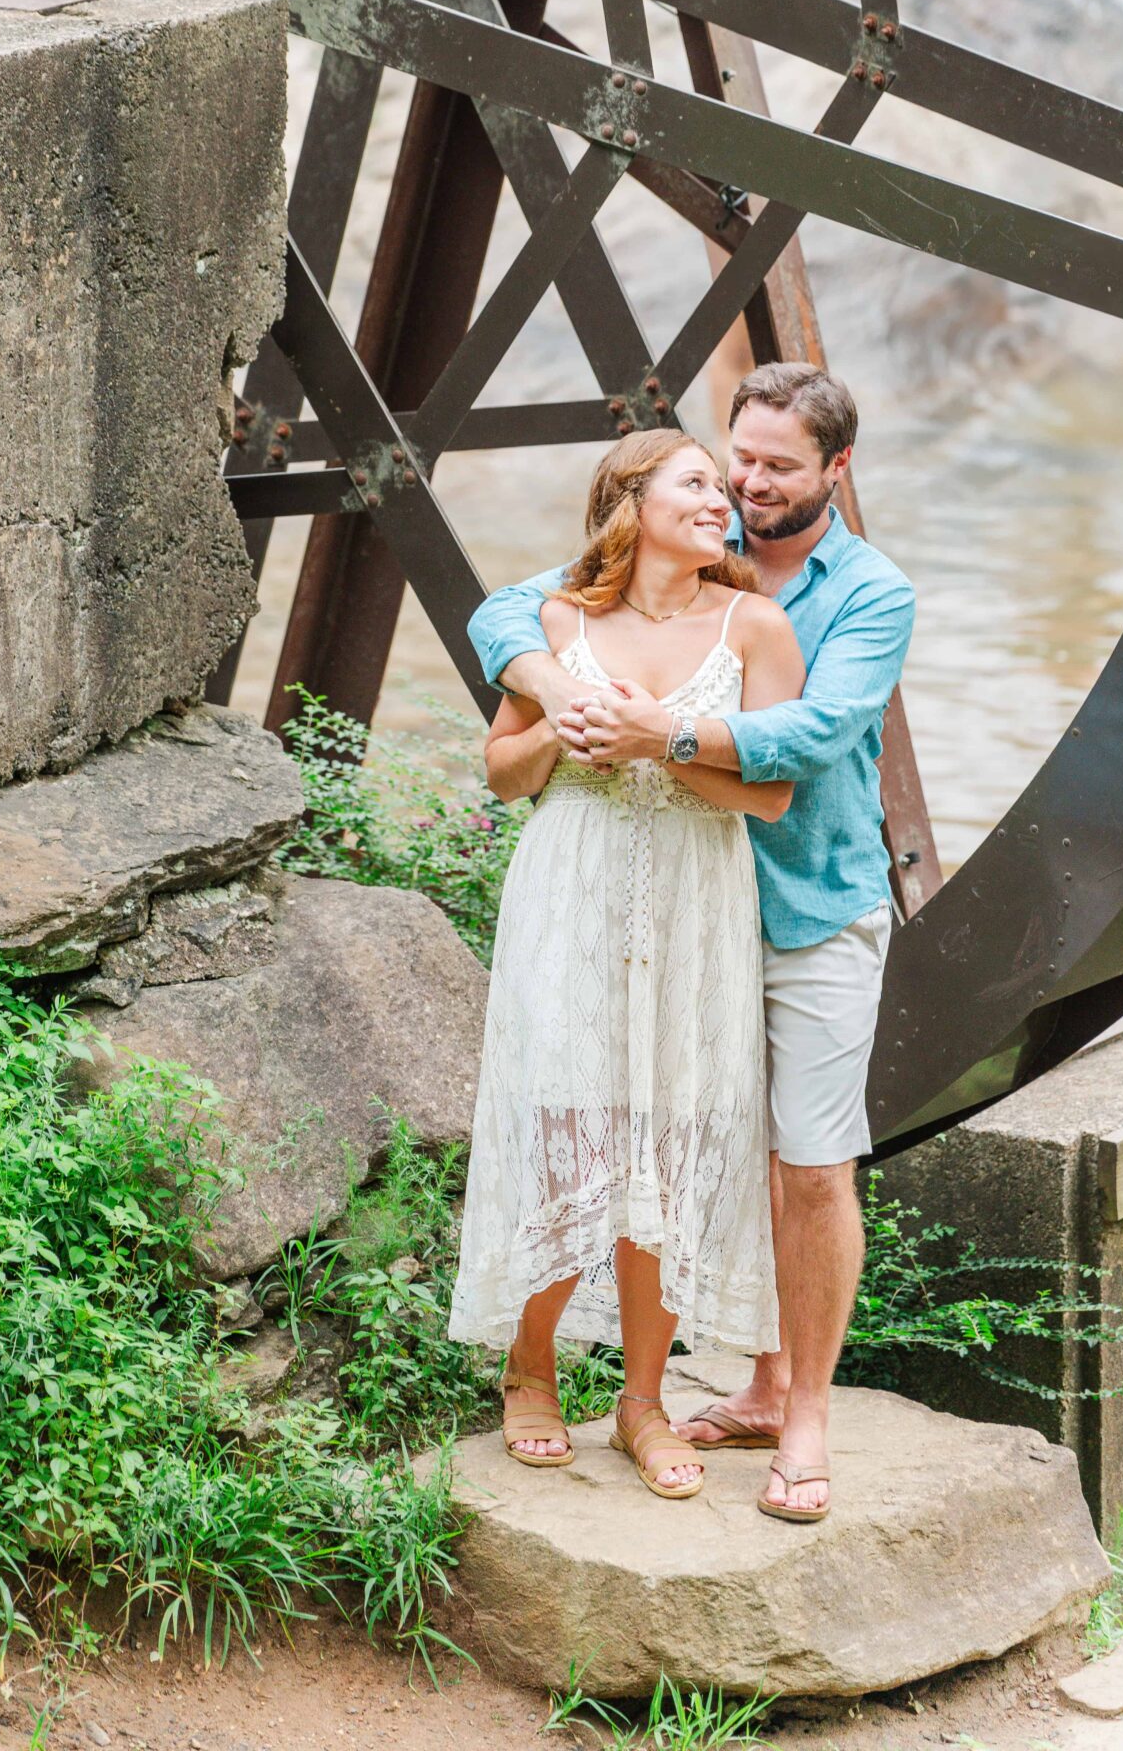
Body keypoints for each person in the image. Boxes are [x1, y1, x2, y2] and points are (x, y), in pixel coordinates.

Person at [467, 363, 914, 1523]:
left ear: (836, 470)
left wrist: (660, 734)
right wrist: (553, 691)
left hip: (801, 905)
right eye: (729, 461)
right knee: (597, 1130)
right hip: (621, 904)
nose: (743, 486)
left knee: (804, 1163)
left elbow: (807, 740)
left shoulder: (859, 595)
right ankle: (553, 1371)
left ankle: (793, 1409)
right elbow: (507, 616)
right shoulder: (614, 585)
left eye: (771, 468)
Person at [448, 428, 803, 1503]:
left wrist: (662, 742)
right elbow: (504, 774)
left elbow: (770, 796)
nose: (722, 499)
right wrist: (562, 730)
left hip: (696, 899)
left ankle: (641, 1402)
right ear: (630, 502)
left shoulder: (756, 627)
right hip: (574, 894)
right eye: (695, 482)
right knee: (571, 1131)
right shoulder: (558, 627)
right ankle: (531, 1369)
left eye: (720, 488)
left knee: (672, 1139)